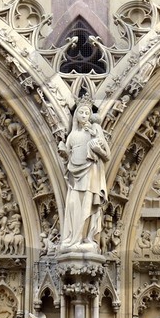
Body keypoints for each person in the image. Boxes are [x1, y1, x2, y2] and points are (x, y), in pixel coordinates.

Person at [59, 98, 110, 250]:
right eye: (80, 112)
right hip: (75, 175)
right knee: (74, 205)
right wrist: (63, 154)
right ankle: (73, 239)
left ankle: (86, 238)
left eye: (86, 113)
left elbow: (107, 155)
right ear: (76, 116)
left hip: (90, 174)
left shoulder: (95, 132)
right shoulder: (72, 136)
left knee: (87, 207)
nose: (83, 115)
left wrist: (97, 149)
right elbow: (68, 155)